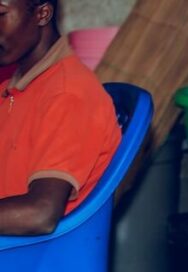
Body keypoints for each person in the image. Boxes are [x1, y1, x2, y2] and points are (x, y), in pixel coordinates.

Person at [0, 0, 121, 236]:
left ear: (42, 14)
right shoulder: (13, 89)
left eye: (1, 14)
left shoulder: (68, 95)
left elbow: (41, 213)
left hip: (31, 258)